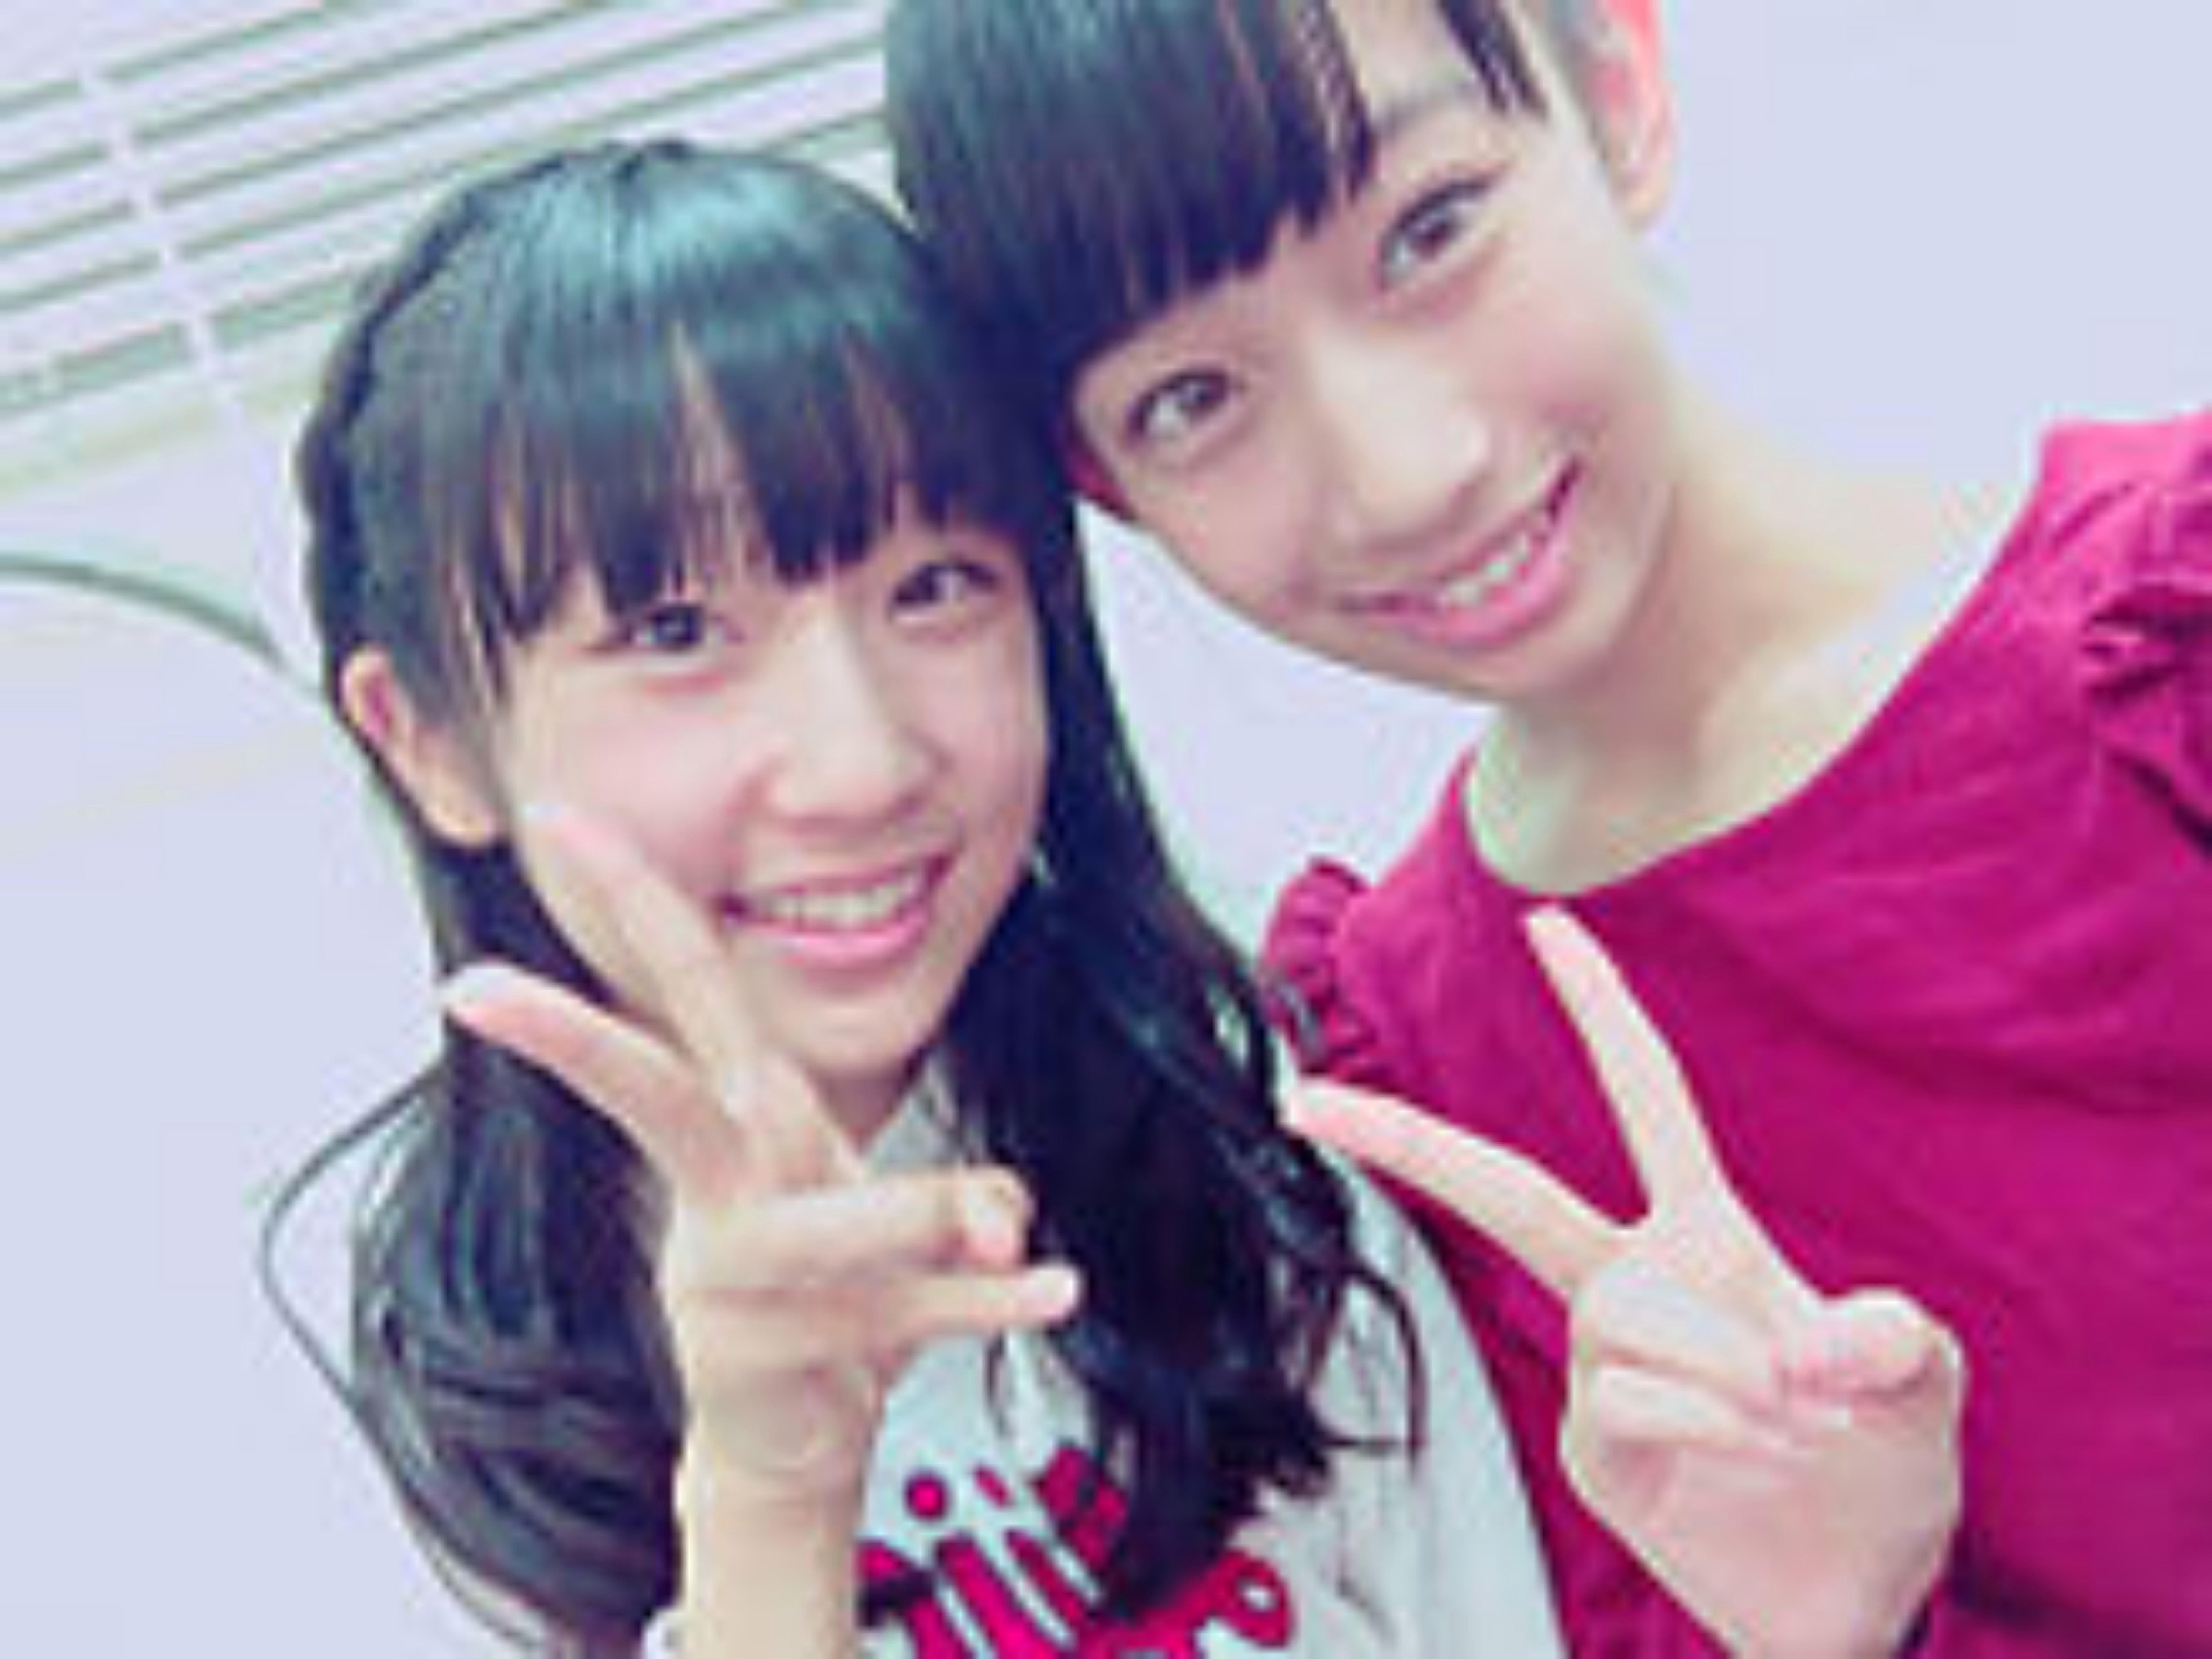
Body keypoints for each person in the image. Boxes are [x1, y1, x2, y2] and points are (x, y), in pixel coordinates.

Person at [884, 0, 2212, 1653]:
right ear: (1104, 486)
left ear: (1617, 89)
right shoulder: (1409, 1081)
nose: (1405, 473)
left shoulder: (2167, 647)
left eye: (1430, 230)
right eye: (1192, 398)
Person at [259, 137, 1582, 1657]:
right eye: (676, 629)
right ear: (428, 741)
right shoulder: (364, 1410)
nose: (863, 763)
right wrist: (769, 1500)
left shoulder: (1253, 1175)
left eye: (936, 587)